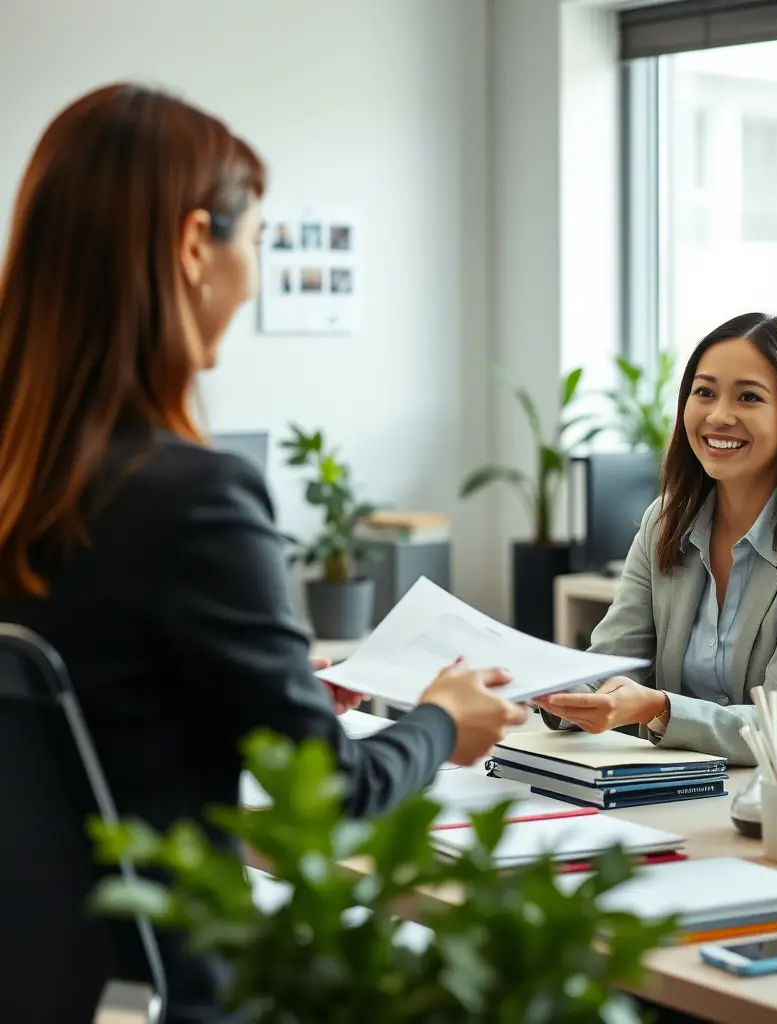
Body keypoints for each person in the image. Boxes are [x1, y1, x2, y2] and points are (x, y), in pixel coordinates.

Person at [0, 84, 524, 1022]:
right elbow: (329, 799)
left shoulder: (28, 486)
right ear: (196, 245)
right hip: (186, 991)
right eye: (255, 242)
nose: (251, 275)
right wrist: (445, 721)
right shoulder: (195, 497)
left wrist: (260, 690)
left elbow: (104, 706)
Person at [534, 313, 777, 762]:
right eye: (704, 392)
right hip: (671, 792)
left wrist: (660, 709)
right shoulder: (666, 520)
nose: (718, 416)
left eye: (749, 397)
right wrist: (554, 690)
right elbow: (610, 664)